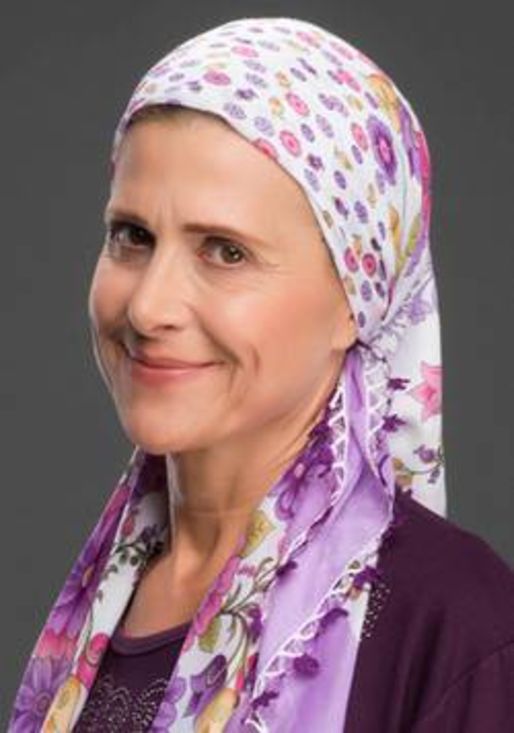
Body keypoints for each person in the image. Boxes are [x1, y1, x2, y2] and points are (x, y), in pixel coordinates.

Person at [8, 15, 514, 733]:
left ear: (355, 301)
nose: (148, 307)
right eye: (133, 236)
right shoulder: (114, 590)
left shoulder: (454, 626)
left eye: (226, 251)